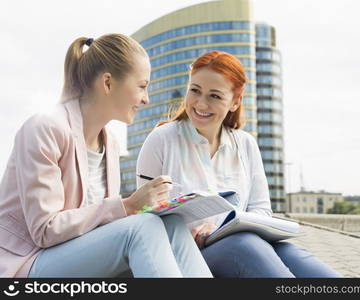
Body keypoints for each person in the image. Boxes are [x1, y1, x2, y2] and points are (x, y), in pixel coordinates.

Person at [0, 34, 212, 278]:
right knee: (143, 228)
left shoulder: (110, 142)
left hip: (73, 253)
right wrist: (129, 205)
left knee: (171, 224)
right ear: (108, 83)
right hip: (27, 262)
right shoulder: (44, 128)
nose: (146, 99)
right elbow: (45, 230)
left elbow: (105, 222)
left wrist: (148, 207)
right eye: (142, 86)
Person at [136, 51, 341, 278]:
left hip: (245, 242)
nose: (201, 103)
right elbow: (143, 215)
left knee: (299, 259)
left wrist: (221, 229)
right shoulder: (161, 139)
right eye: (195, 90)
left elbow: (261, 210)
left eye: (215, 96)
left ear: (235, 102)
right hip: (188, 254)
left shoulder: (245, 144)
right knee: (246, 247)